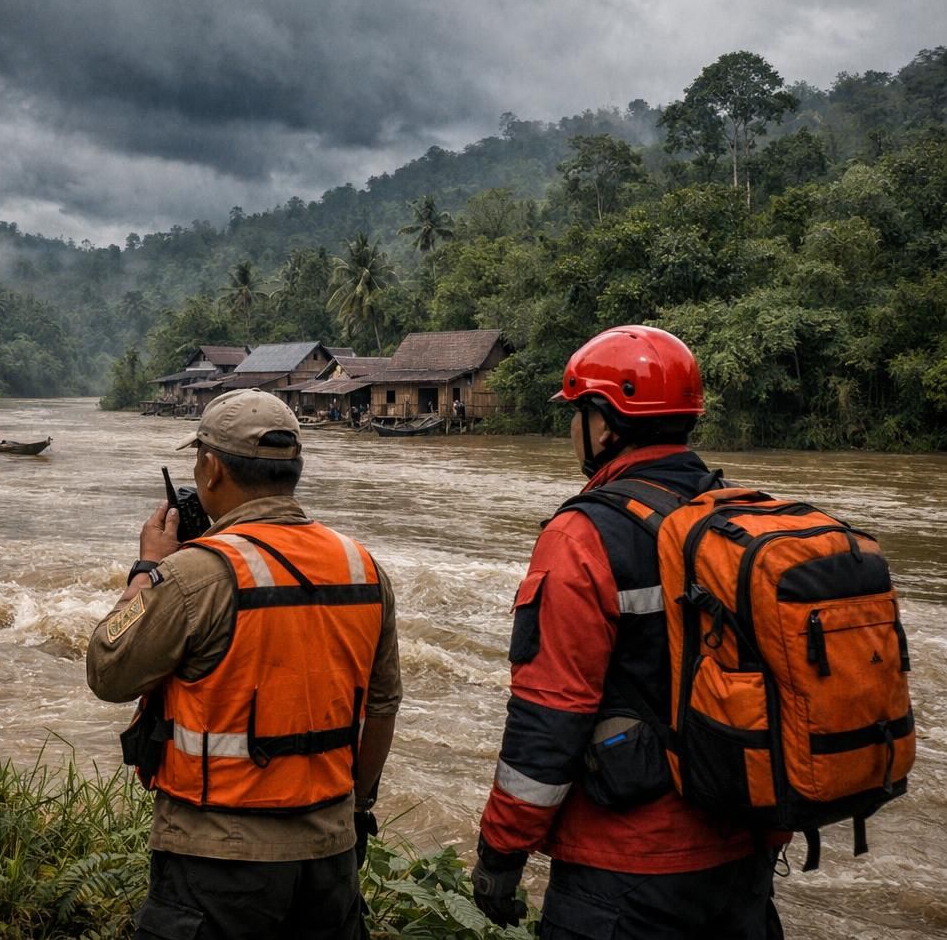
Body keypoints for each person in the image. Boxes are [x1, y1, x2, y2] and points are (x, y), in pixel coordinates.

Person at [471, 326, 783, 938]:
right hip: (746, 851)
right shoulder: (740, 517)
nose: (571, 430)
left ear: (605, 422)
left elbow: (549, 717)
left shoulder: (583, 537)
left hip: (626, 872)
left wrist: (500, 854)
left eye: (576, 414)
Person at [87, 388, 401, 939]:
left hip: (216, 860)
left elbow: (109, 670)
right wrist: (356, 805)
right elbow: (382, 704)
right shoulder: (363, 567)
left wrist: (147, 569)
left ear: (209, 469)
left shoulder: (195, 575)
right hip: (331, 855)